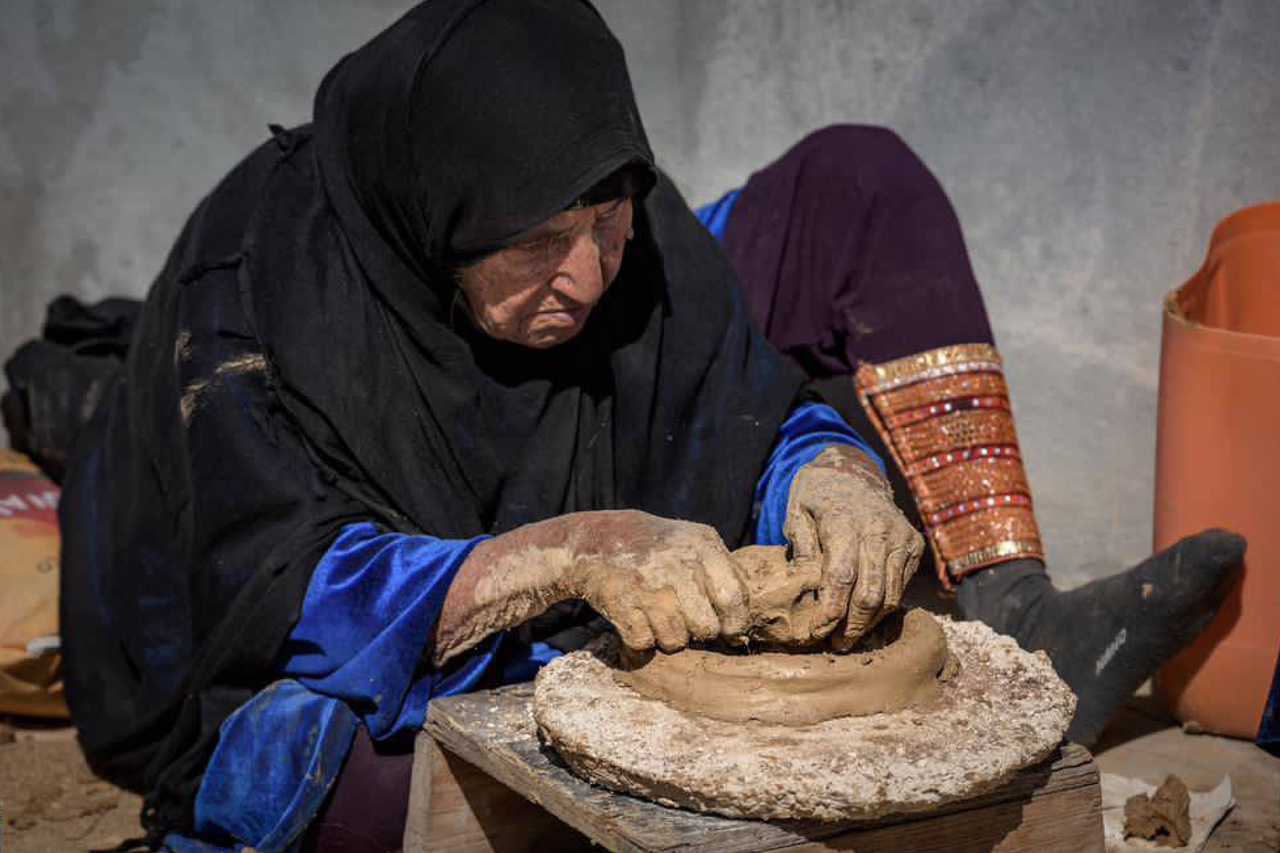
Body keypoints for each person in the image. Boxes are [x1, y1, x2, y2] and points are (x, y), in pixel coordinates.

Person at [9, 2, 1238, 851]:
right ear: (424, 223)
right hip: (224, 570)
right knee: (328, 774)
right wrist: (569, 550)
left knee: (855, 180)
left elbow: (739, 401)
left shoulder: (631, 248)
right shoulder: (254, 309)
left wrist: (833, 474)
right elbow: (277, 587)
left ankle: (1012, 607)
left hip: (530, 462)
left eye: (608, 216)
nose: (590, 276)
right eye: (536, 241)